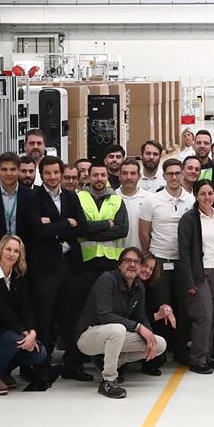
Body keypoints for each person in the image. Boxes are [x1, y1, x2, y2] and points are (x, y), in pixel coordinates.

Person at [75, 247, 166, 398]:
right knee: (118, 329)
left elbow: (142, 317)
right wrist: (138, 327)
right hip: (88, 336)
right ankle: (108, 381)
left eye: (136, 262)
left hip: (114, 335)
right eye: (127, 261)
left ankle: (110, 363)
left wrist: (149, 335)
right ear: (119, 265)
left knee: (159, 344)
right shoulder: (107, 279)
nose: (132, 264)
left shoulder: (139, 287)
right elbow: (105, 316)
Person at [28, 155, 86, 390]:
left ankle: (73, 365)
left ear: (62, 174)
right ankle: (41, 368)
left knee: (72, 317)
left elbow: (81, 226)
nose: (52, 177)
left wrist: (52, 225)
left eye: (56, 173)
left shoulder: (72, 196)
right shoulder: (32, 197)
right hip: (46, 268)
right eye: (48, 173)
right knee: (45, 318)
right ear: (41, 175)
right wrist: (65, 224)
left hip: (71, 264)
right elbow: (37, 231)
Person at [0, 234, 47, 396]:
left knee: (40, 353)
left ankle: (4, 370)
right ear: (0, 250)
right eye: (8, 249)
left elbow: (26, 306)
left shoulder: (18, 275)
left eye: (16, 251)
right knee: (16, 340)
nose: (12, 254)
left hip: (10, 329)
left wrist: (32, 332)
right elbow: (0, 309)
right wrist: (24, 332)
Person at [73, 161, 129, 379]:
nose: (98, 179)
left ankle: (113, 363)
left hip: (111, 265)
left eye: (102, 175)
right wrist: (107, 224)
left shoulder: (116, 199)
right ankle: (82, 358)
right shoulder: (79, 198)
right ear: (88, 176)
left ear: (107, 177)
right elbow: (79, 229)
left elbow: (122, 230)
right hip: (86, 264)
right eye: (94, 175)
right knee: (86, 312)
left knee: (112, 313)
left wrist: (91, 230)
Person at [139, 157, 195, 367]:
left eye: (177, 173)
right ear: (163, 176)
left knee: (183, 307)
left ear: (182, 175)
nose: (174, 177)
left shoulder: (190, 201)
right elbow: (144, 233)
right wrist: (151, 258)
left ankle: (181, 350)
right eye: (169, 174)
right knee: (161, 307)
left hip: (182, 262)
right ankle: (157, 354)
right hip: (160, 261)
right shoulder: (152, 201)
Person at [176, 181, 214, 375]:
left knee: (213, 316)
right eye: (202, 194)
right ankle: (196, 358)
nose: (207, 197)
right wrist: (189, 281)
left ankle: (206, 355)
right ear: (195, 196)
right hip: (198, 274)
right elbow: (184, 252)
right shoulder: (189, 219)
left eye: (210, 193)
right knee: (203, 315)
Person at [0, 152, 38, 267]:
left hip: (25, 258)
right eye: (4, 169)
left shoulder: (32, 196)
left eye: (13, 169)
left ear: (18, 170)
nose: (9, 173)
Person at [116, 158, 149, 250]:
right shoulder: (112, 197)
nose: (129, 177)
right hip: (116, 255)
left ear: (139, 176)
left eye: (133, 173)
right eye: (125, 173)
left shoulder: (149, 199)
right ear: (119, 176)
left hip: (141, 254)